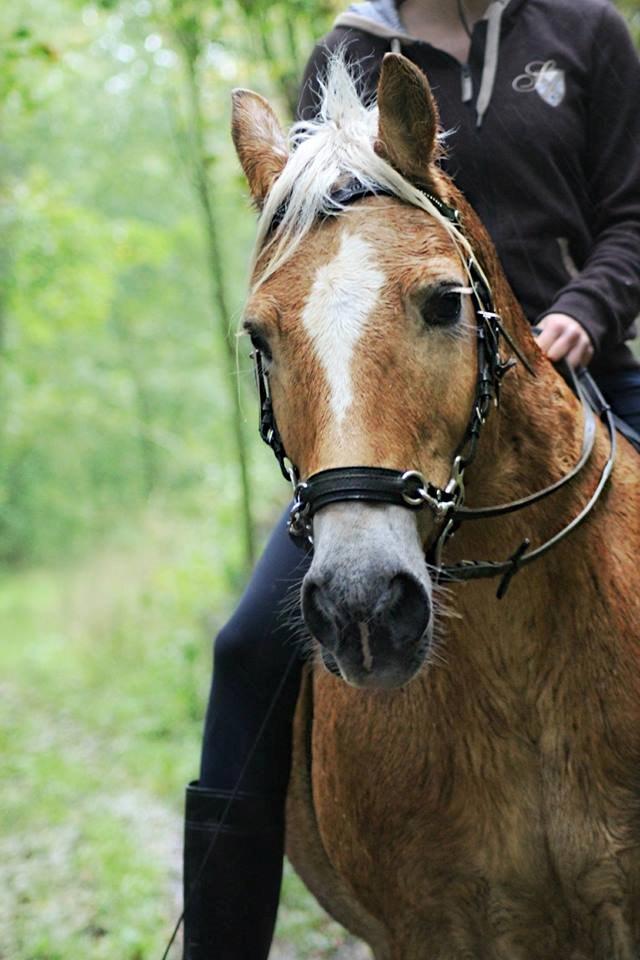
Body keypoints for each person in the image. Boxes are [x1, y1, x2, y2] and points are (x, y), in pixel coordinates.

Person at [181, 2, 640, 958]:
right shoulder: (344, 54)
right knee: (244, 652)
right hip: (393, 408)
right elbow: (318, 251)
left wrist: (587, 309)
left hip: (584, 366)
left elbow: (630, 210)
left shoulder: (586, 33)